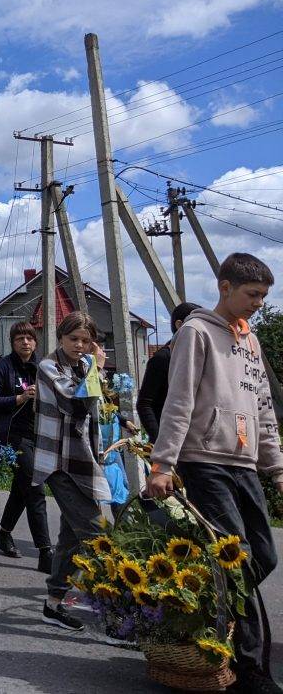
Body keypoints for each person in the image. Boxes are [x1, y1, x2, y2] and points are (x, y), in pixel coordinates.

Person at [147, 253, 283, 692]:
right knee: (236, 557)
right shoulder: (196, 331)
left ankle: (197, 610)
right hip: (203, 460)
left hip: (243, 462)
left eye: (263, 296)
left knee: (264, 555)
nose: (258, 303)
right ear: (225, 287)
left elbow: (263, 409)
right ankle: (249, 668)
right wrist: (163, 463)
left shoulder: (251, 341)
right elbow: (179, 399)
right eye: (252, 294)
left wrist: (277, 469)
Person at [33, 311, 111, 632]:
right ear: (61, 338)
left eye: (85, 340)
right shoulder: (48, 367)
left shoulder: (84, 366)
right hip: (59, 463)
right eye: (73, 339)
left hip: (83, 461)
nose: (79, 345)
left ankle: (53, 604)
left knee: (71, 538)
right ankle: (114, 612)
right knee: (96, 535)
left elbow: (97, 409)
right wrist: (97, 370)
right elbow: (75, 405)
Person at [0, 322, 53, 572]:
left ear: (35, 342)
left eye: (29, 338)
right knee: (35, 488)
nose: (25, 342)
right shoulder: (3, 367)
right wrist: (19, 398)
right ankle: (45, 551)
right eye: (19, 339)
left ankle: (4, 534)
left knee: (21, 488)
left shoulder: (44, 367)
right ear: (12, 343)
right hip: (13, 436)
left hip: (39, 435)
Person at [136, 301, 201, 440]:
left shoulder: (199, 358)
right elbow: (145, 404)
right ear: (179, 325)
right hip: (170, 439)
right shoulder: (163, 359)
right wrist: (159, 440)